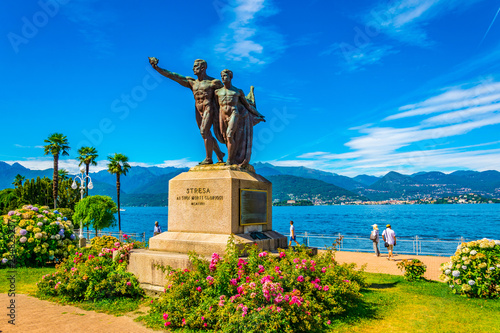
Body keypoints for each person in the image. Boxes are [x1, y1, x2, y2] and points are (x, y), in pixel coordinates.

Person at [149, 57, 225, 165]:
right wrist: (157, 68)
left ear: (202, 67)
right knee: (205, 133)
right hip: (198, 110)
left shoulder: (213, 83)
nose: (193, 69)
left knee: (204, 132)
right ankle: (219, 154)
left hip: (209, 108)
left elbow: (227, 92)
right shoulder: (192, 82)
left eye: (195, 66)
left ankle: (209, 159)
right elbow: (173, 75)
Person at [215, 69, 265, 166]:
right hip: (222, 116)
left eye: (225, 76)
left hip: (234, 113)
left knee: (229, 135)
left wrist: (258, 114)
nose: (223, 78)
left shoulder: (237, 91)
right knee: (225, 137)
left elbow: (247, 105)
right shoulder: (217, 92)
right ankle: (231, 156)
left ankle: (230, 160)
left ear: (230, 77)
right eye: (221, 76)